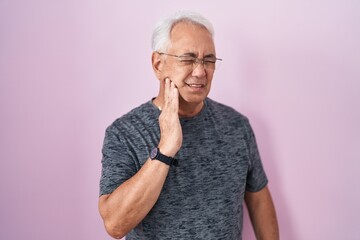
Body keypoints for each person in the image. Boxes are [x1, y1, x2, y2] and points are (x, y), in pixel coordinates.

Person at [98, 11, 279, 240]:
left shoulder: (236, 125)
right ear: (158, 63)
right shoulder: (124, 133)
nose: (200, 71)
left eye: (209, 60)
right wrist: (166, 149)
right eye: (188, 58)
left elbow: (259, 198)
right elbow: (115, 225)